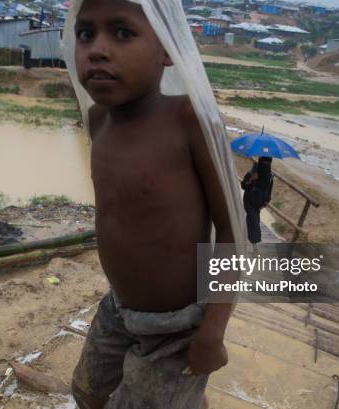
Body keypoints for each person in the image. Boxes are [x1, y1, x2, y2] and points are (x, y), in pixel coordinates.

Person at [68, 0, 237, 408]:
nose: (98, 49)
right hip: (118, 307)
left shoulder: (191, 121)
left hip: (177, 326)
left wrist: (213, 330)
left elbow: (232, 230)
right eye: (85, 33)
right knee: (86, 392)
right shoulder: (97, 121)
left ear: (167, 51)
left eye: (123, 33)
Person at [241, 157, 273, 250]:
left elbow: (269, 190)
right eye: (264, 162)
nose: (266, 164)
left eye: (268, 162)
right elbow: (243, 185)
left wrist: (266, 202)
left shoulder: (270, 176)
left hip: (259, 203)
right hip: (249, 201)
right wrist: (251, 179)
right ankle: (255, 246)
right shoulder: (252, 172)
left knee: (253, 220)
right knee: (254, 222)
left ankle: (246, 237)